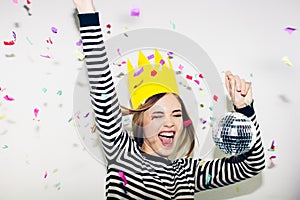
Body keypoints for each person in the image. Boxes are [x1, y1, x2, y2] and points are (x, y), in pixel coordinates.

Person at [73, 0, 265, 199]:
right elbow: (101, 87)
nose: (169, 123)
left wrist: (244, 110)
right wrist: (86, 11)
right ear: (140, 123)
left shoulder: (187, 173)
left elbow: (252, 164)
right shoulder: (123, 155)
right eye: (157, 115)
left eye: (176, 114)